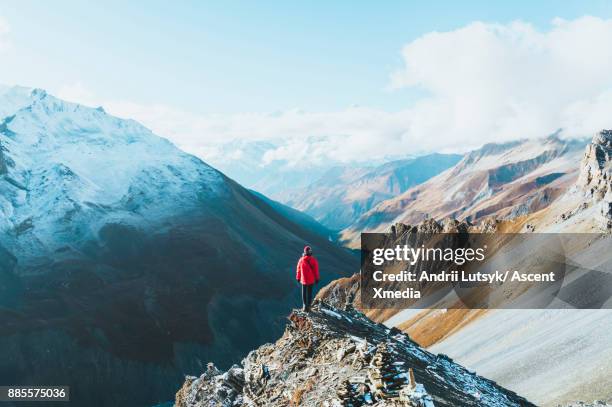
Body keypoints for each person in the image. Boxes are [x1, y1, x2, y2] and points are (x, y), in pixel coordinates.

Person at [295, 245, 319, 312]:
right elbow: (316, 270)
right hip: (311, 280)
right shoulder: (313, 260)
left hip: (303, 280)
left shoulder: (301, 260)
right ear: (310, 252)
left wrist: (298, 277)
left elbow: (298, 269)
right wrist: (317, 278)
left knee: (304, 293)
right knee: (309, 293)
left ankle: (304, 306)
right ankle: (309, 306)